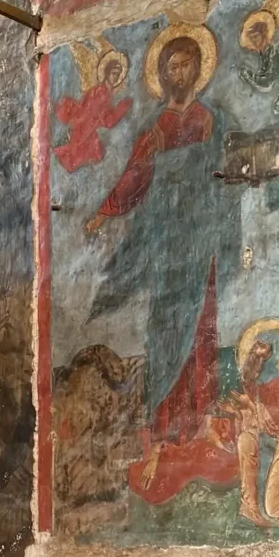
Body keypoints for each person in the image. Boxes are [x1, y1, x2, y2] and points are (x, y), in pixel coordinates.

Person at [86, 27, 241, 495]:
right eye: (171, 66)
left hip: (201, 243)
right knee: (165, 330)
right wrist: (103, 213)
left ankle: (204, 418)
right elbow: (133, 179)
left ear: (199, 69)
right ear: (162, 73)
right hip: (167, 248)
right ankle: (162, 426)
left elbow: (231, 173)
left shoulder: (214, 120)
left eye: (186, 64)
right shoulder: (154, 131)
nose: (179, 72)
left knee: (203, 329)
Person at [222, 320, 279, 531]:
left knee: (274, 507)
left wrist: (253, 406)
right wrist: (245, 410)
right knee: (245, 437)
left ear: (275, 355)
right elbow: (248, 383)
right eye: (254, 351)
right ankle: (249, 507)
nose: (256, 358)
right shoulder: (255, 390)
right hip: (270, 448)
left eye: (263, 351)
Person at [55, 53, 132, 173]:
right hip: (85, 129)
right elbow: (107, 121)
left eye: (118, 74)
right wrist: (121, 109)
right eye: (113, 73)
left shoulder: (107, 92)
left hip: (89, 128)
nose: (116, 77)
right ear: (107, 73)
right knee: (89, 155)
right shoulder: (100, 92)